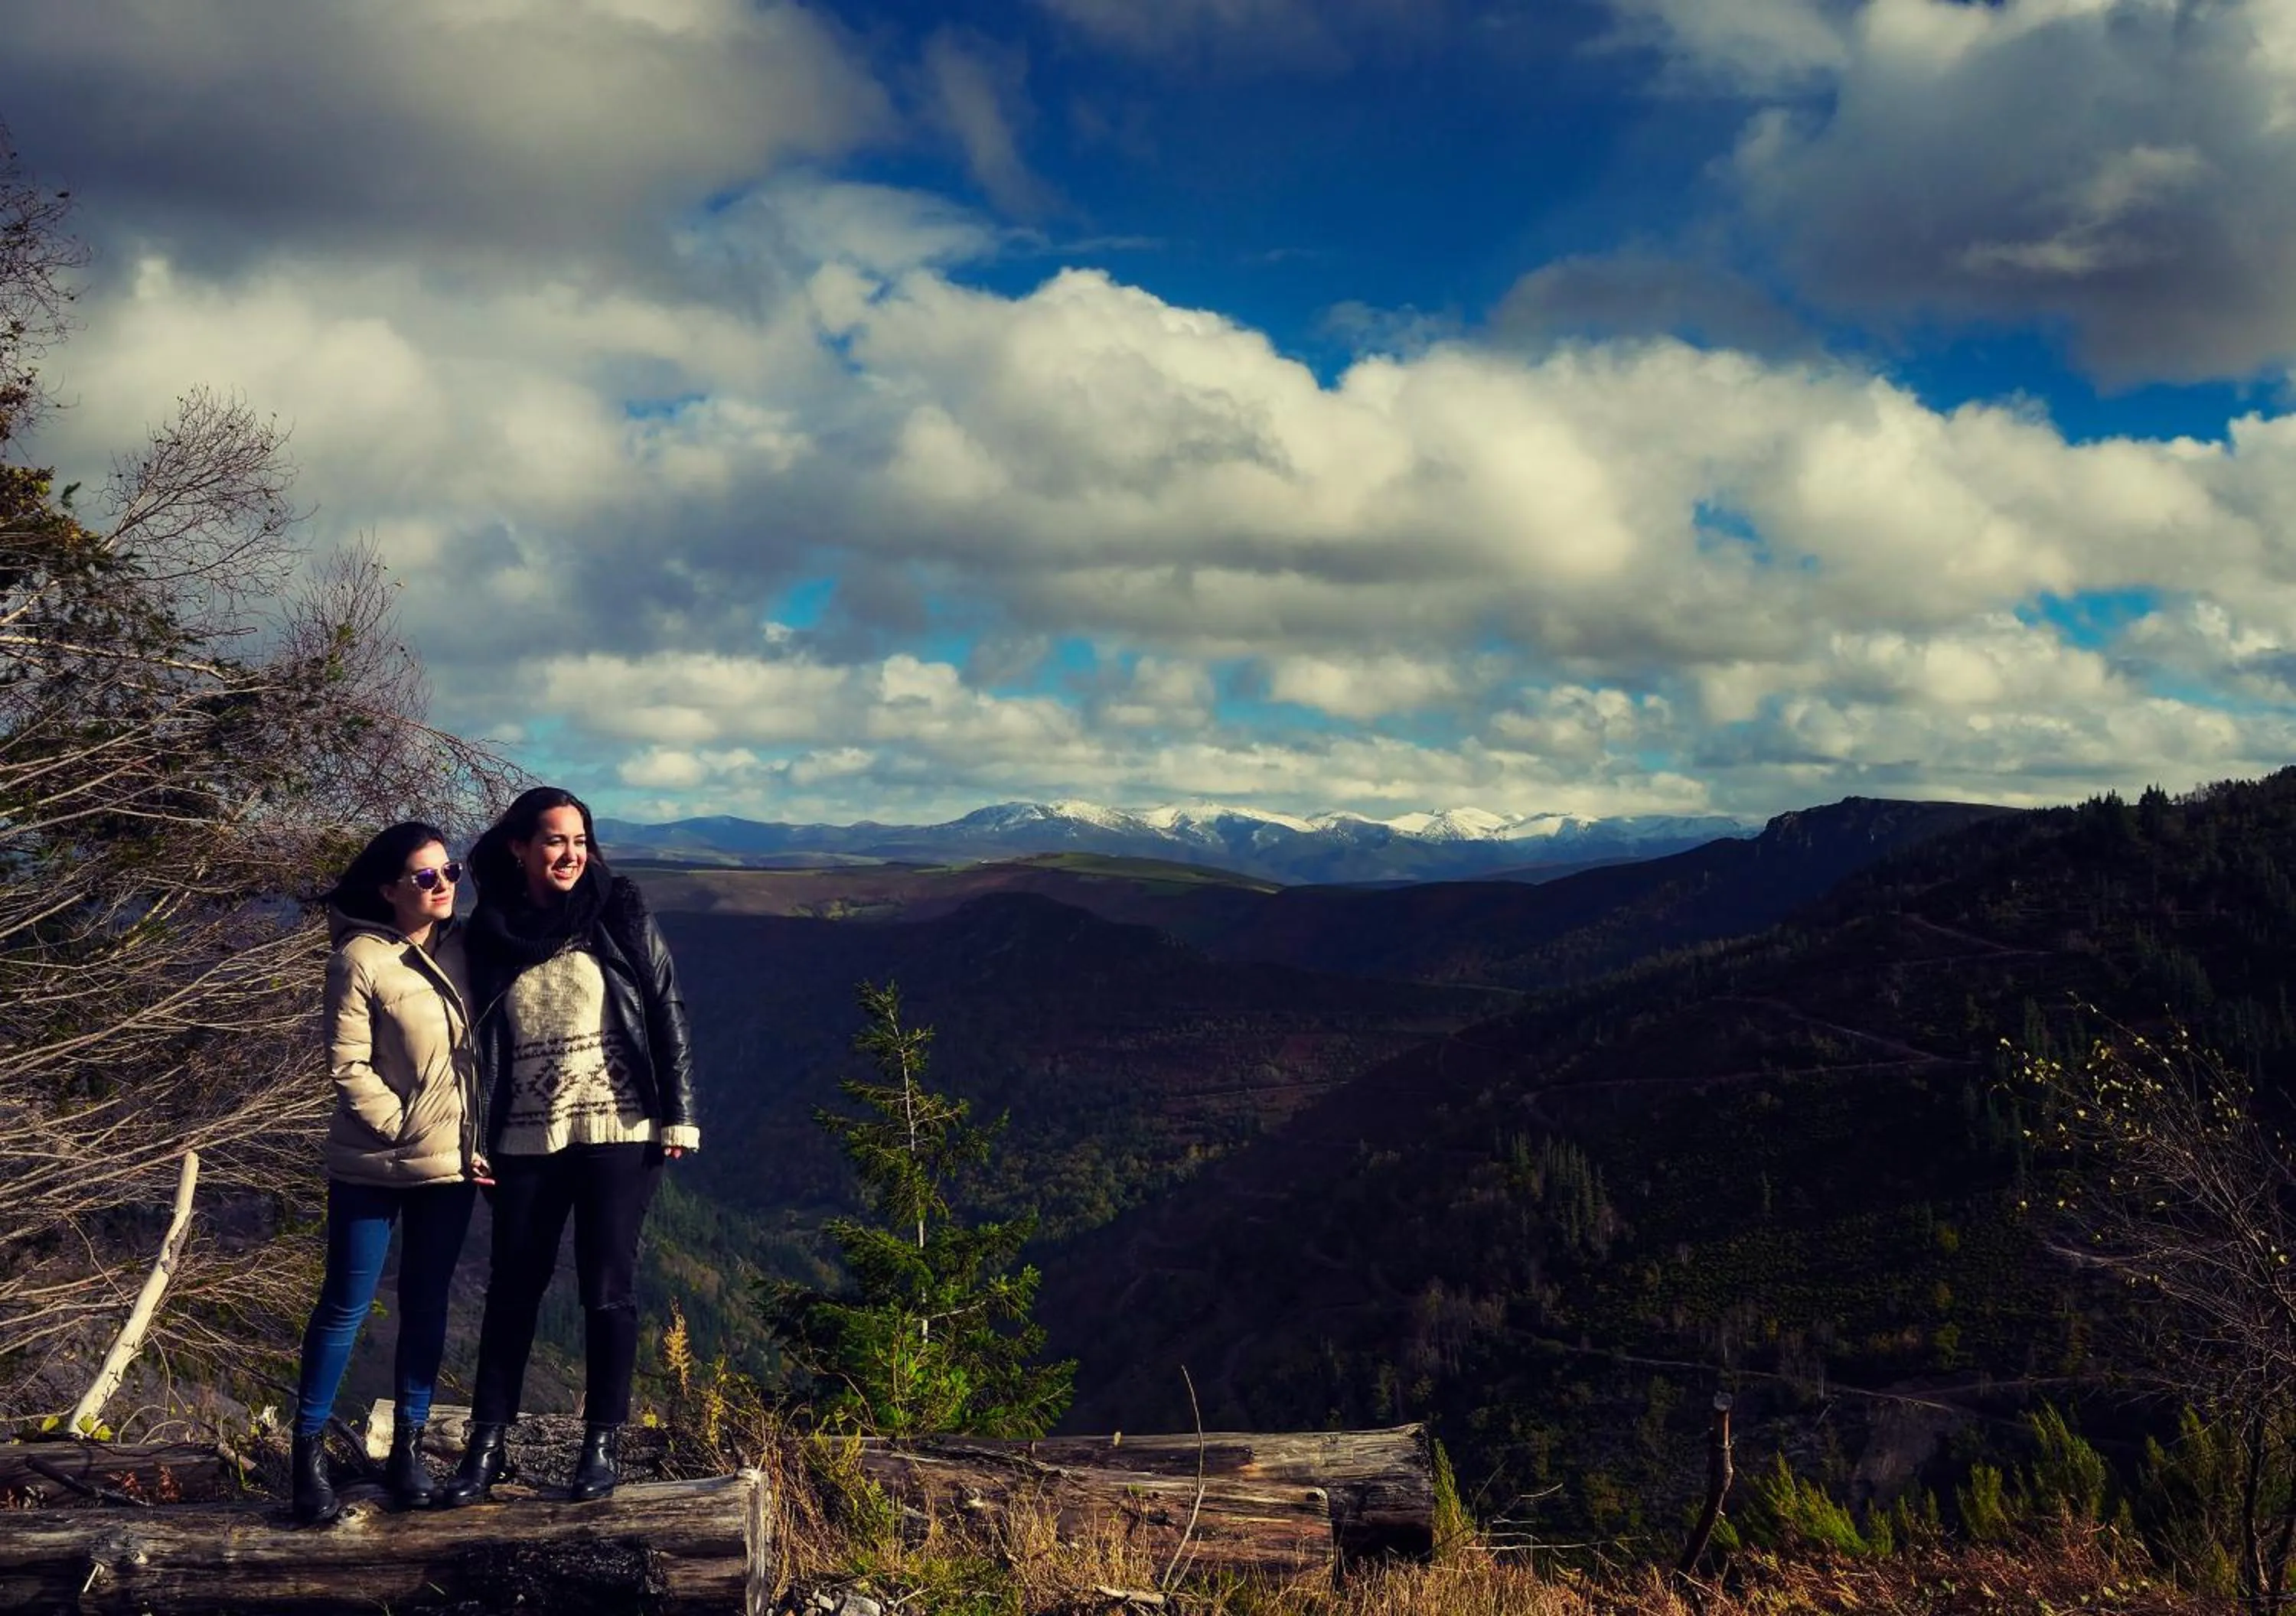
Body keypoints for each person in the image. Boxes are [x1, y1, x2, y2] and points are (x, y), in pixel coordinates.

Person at [439, 787, 699, 1507]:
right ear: (519, 847)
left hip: (621, 1131)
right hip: (525, 1135)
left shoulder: (617, 910)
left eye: (580, 840)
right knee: (513, 1292)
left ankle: (600, 1447)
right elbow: (469, 1038)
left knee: (606, 1290)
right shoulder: (489, 931)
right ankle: (484, 1451)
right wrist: (475, 1133)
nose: (572, 854)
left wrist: (680, 1111)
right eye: (555, 840)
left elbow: (664, 1004)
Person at [292, 823, 482, 1526]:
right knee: (345, 1304)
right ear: (389, 889)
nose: (443, 885)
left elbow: (484, 1059)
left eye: (451, 871)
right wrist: (404, 1128)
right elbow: (347, 1067)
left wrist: (478, 1137)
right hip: (372, 1163)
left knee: (427, 1307)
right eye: (426, 877)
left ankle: (408, 1448)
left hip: (453, 1167)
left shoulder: (467, 951)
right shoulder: (359, 959)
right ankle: (305, 1454)